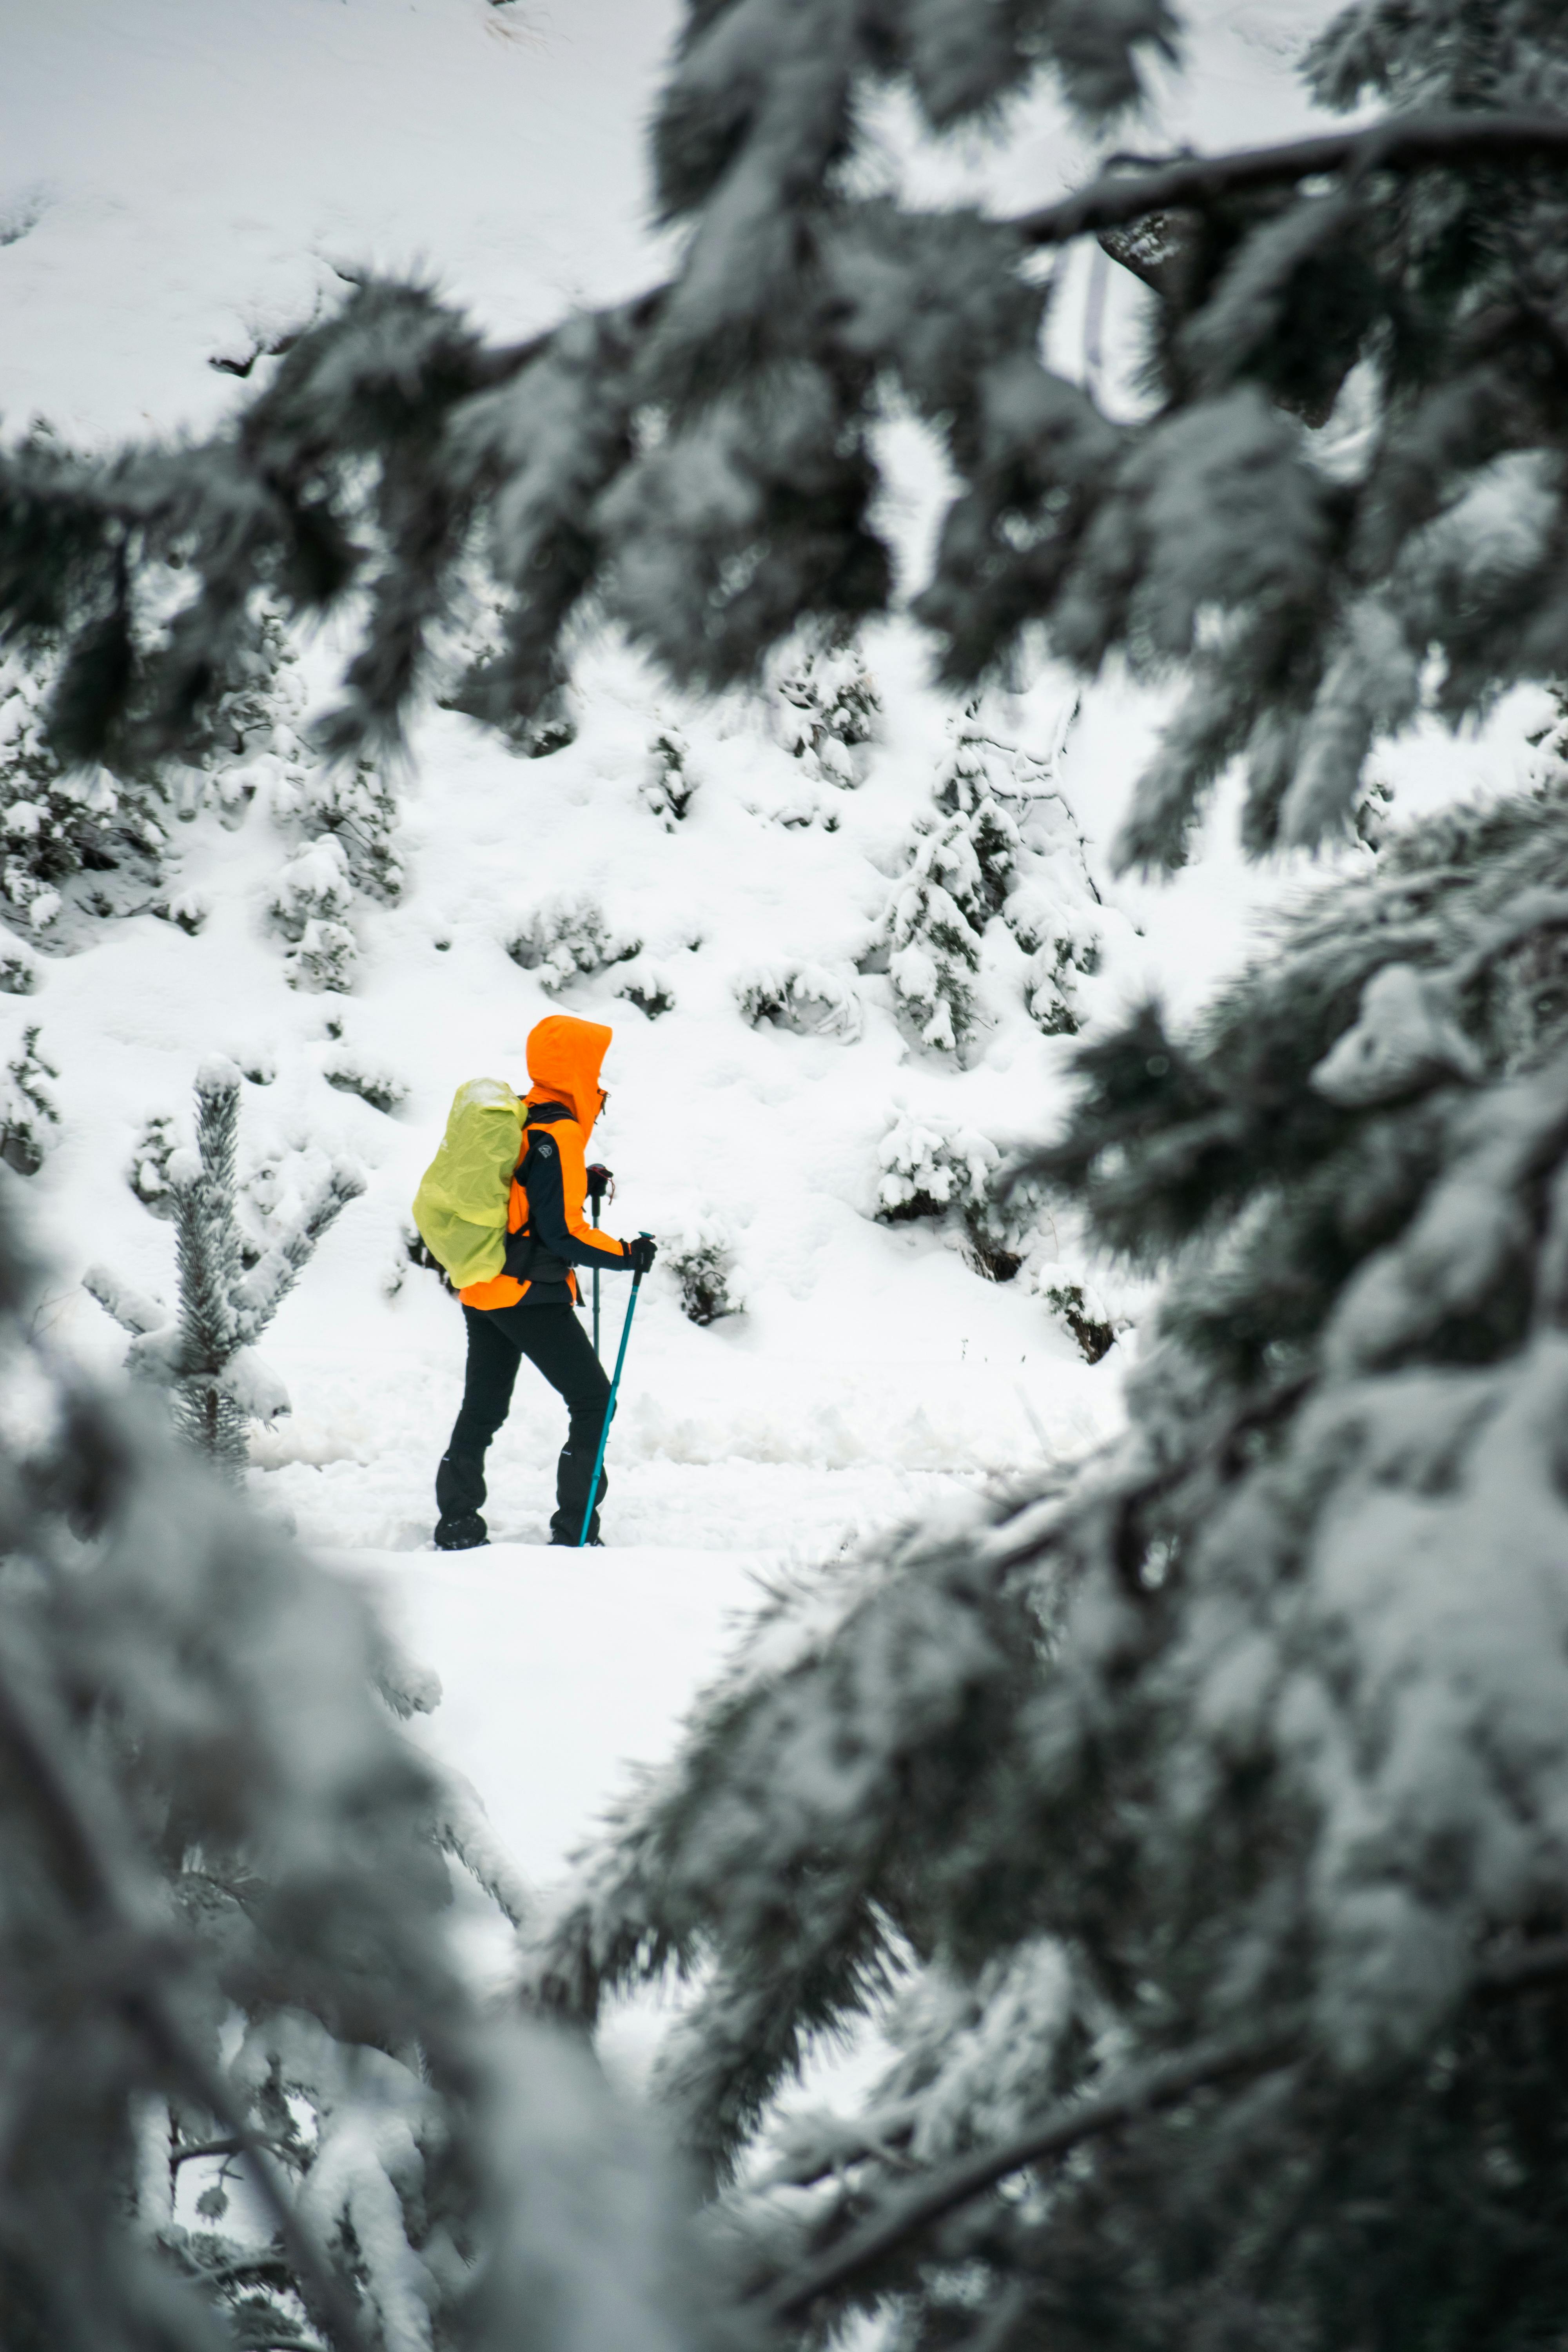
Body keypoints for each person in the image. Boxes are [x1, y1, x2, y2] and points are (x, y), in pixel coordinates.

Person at [434, 1013, 655, 1551]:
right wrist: (626, 1255)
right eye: (594, 1066)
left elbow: (528, 1194)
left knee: (484, 1407)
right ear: (577, 1068)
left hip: (485, 1286)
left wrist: (585, 1179)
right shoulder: (559, 1131)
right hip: (529, 1294)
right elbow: (562, 1235)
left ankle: (458, 1521)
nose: (599, 1079)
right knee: (594, 1401)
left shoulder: (527, 1114)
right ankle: (576, 1528)